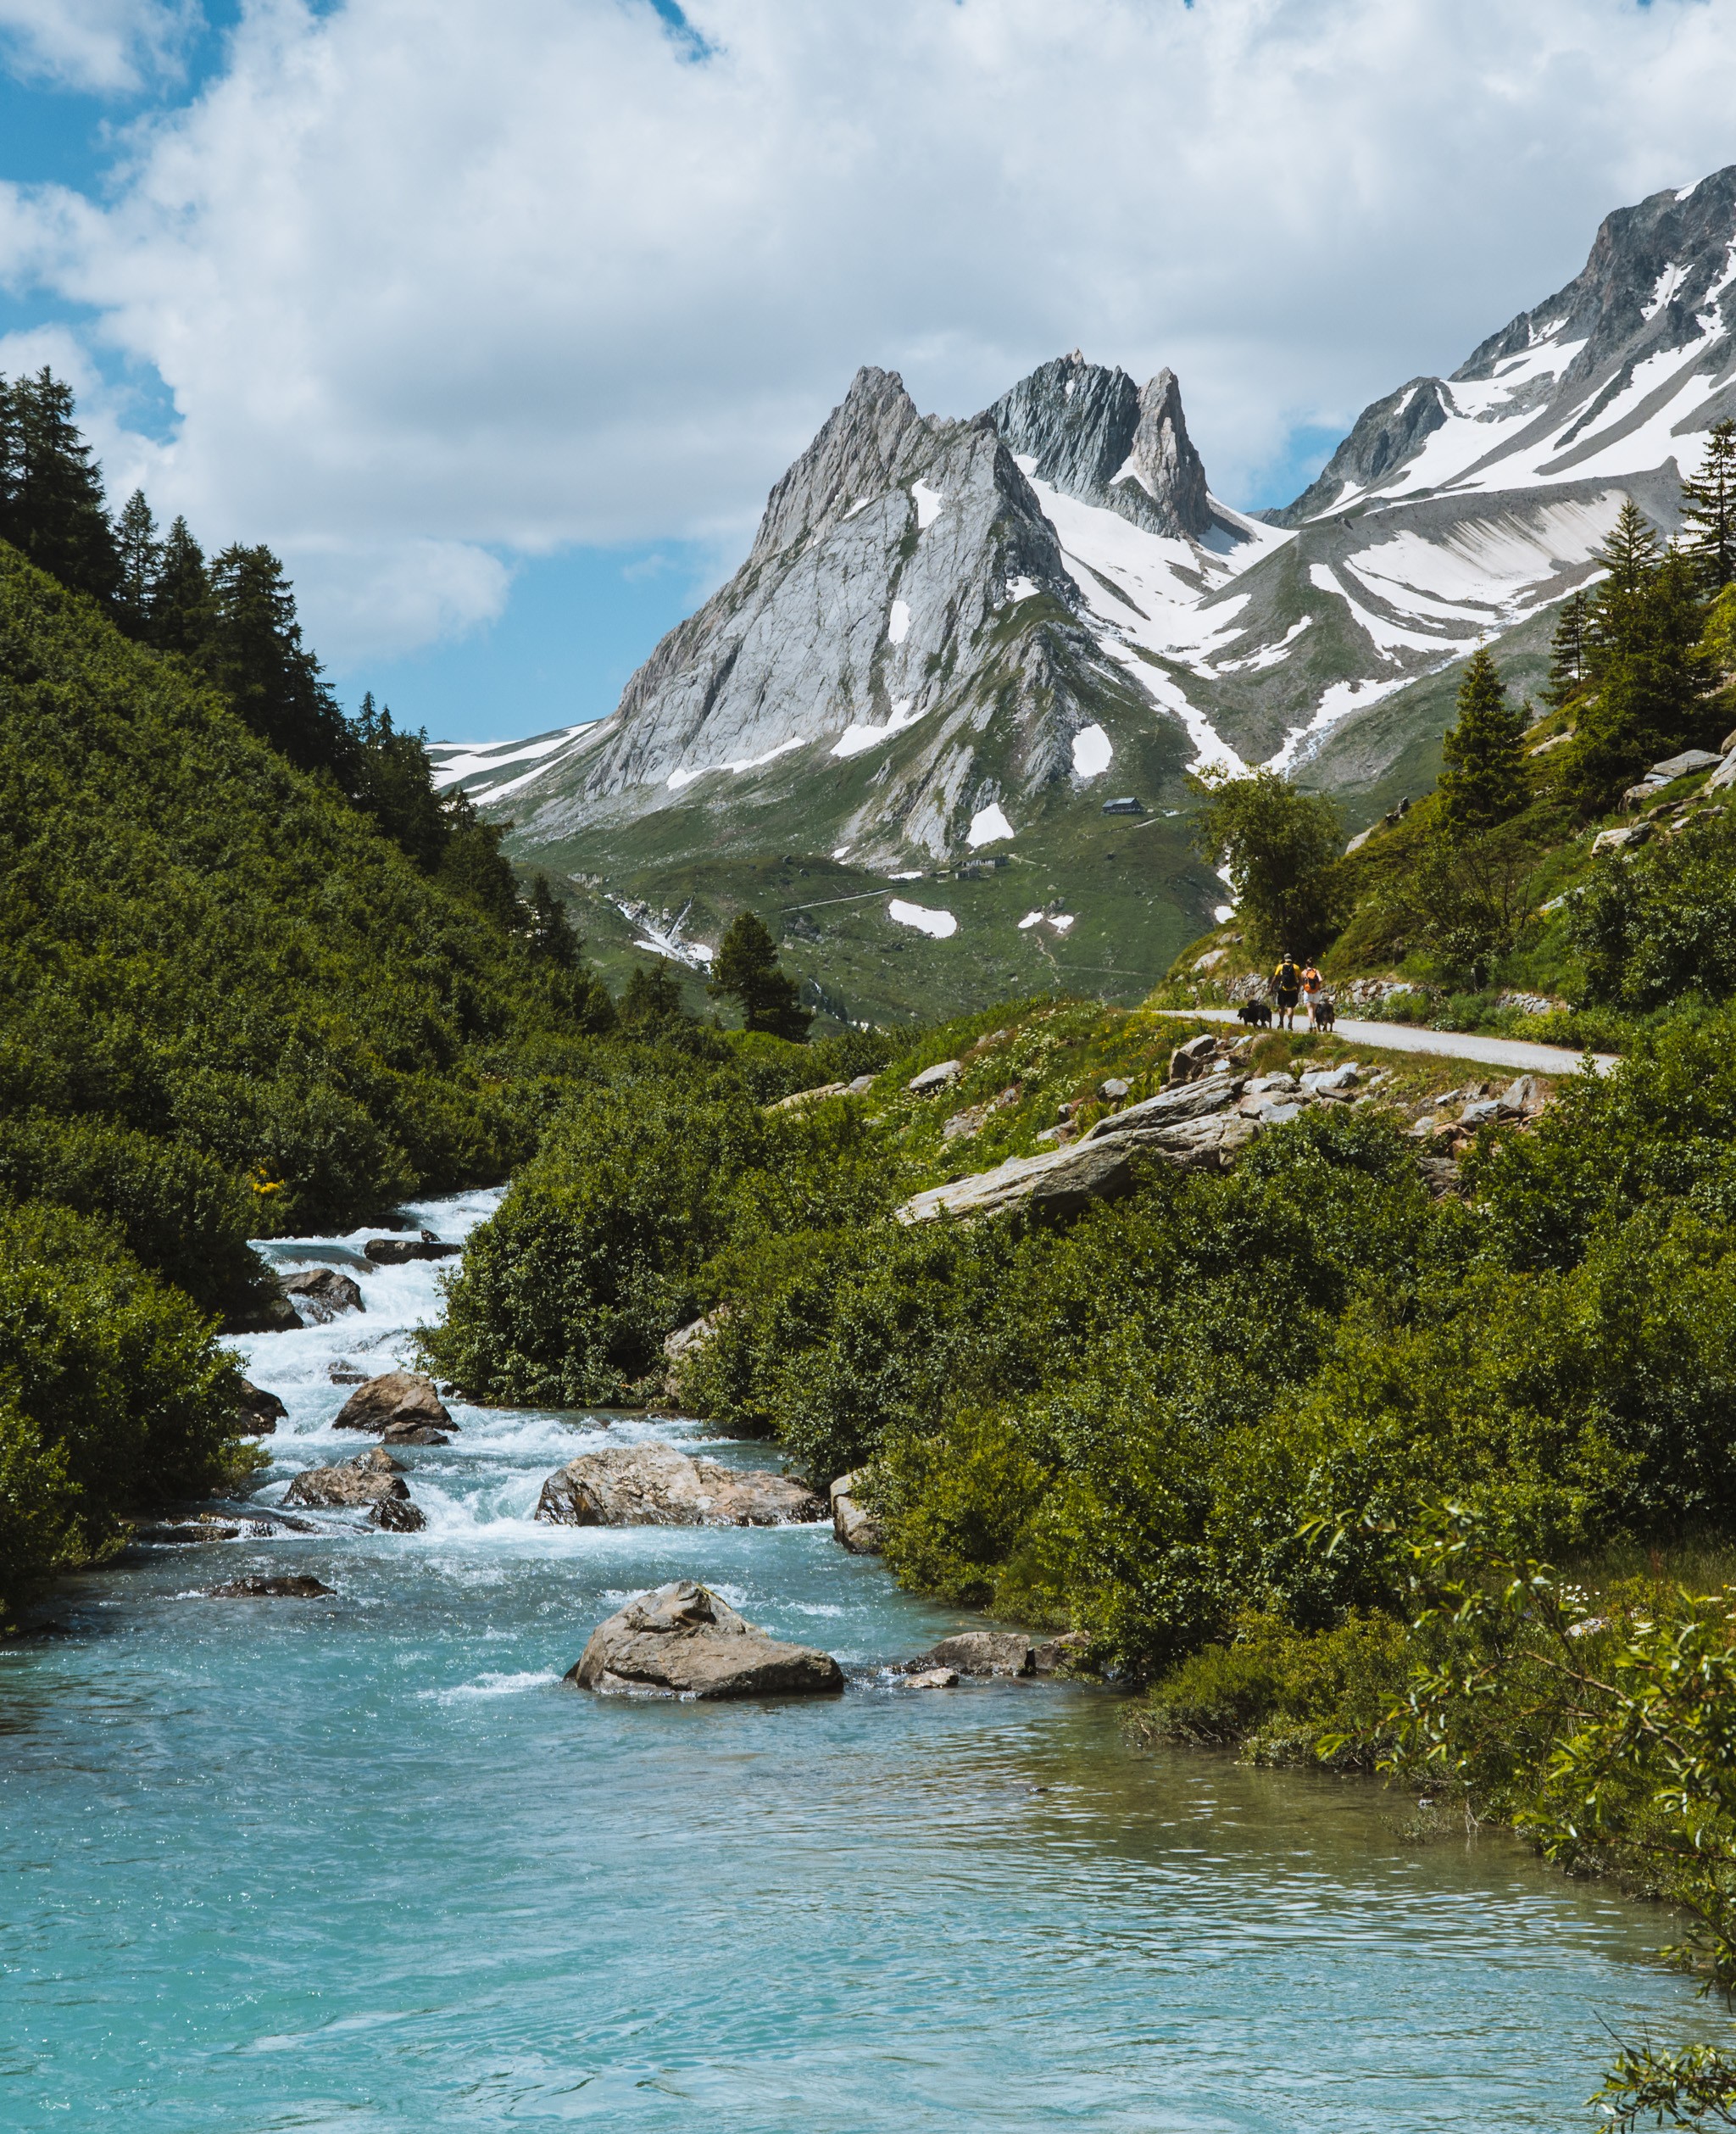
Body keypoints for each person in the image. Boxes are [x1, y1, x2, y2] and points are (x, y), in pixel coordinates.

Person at [1271, 950, 1302, 1030]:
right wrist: (1298, 989)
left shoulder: (1280, 966)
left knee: (1281, 1006)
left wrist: (1271, 987)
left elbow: (1275, 978)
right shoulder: (1296, 967)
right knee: (1290, 1007)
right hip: (1292, 990)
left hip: (1283, 990)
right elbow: (1300, 980)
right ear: (1291, 959)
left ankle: (1281, 1023)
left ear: (1285, 959)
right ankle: (1290, 1024)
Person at [1301, 961, 1325, 1028]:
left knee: (1310, 1009)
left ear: (1306, 965)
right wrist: (1317, 986)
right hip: (1316, 991)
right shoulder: (1316, 971)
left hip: (1308, 991)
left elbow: (1301, 982)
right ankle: (1311, 1025)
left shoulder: (1303, 972)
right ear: (1313, 964)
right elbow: (1320, 979)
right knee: (1314, 1010)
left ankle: (1313, 1025)